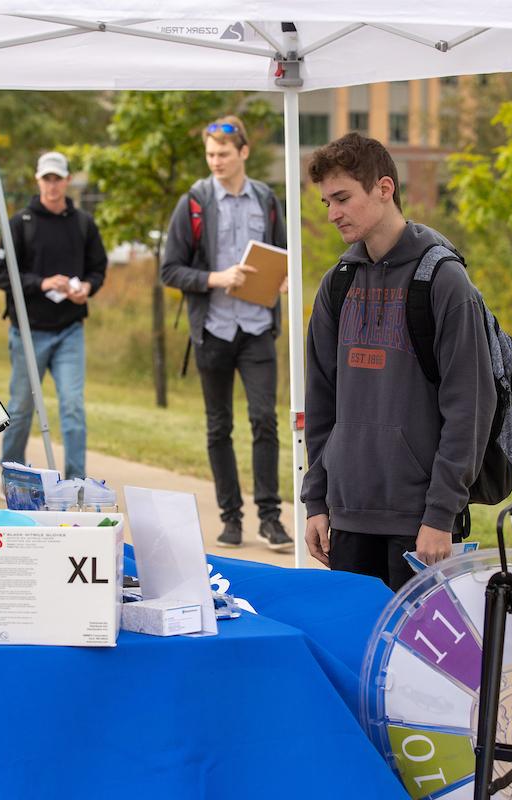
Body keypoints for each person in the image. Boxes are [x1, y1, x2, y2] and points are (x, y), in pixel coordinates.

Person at [301, 133, 495, 590]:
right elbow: (321, 400)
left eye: (343, 198)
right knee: (353, 656)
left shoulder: (445, 282)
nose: (332, 214)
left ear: (384, 189)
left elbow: (469, 408)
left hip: (419, 524)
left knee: (414, 661)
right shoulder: (337, 284)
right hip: (346, 517)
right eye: (327, 201)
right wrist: (317, 501)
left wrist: (441, 513)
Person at [160, 116, 292, 551]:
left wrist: (284, 278)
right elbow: (171, 270)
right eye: (210, 154)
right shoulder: (194, 202)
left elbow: (281, 255)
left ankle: (270, 520)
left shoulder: (267, 199)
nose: (215, 161)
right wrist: (218, 278)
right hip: (213, 330)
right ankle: (230, 518)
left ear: (244, 153)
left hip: (256, 328)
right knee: (219, 426)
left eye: (223, 154)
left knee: (264, 420)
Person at [0, 150, 107, 480]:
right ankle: (11, 476)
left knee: (72, 406)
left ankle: (75, 482)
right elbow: (0, 273)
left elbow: (98, 268)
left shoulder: (83, 223)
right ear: (38, 180)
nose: (53, 185)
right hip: (28, 330)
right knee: (22, 408)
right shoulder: (20, 223)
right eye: (47, 179)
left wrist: (87, 286)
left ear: (68, 180)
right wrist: (42, 283)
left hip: (69, 329)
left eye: (58, 179)